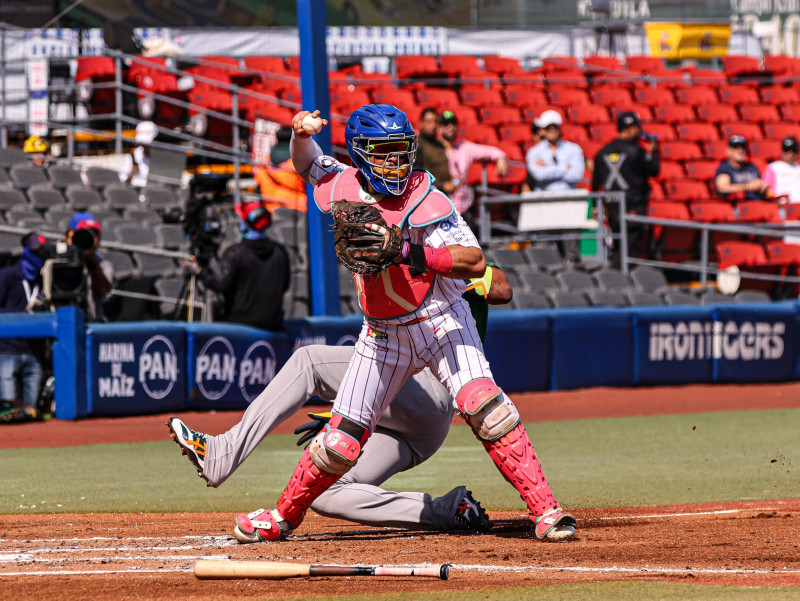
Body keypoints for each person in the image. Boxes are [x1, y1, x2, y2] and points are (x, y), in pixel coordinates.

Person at [226, 103, 576, 546]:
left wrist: (410, 252)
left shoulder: (426, 197)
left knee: (487, 408)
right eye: (383, 151)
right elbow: (309, 163)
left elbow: (474, 261)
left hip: (442, 320)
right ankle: (280, 517)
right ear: (359, 153)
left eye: (400, 150)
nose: (395, 161)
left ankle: (546, 510)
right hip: (383, 332)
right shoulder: (343, 182)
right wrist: (299, 134)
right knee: (339, 441)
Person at [166, 264, 511, 533]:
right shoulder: (387, 273)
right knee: (326, 489)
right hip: (418, 427)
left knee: (309, 362)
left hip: (431, 387)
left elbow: (502, 288)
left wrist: (445, 266)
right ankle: (449, 510)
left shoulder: (441, 252)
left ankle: (223, 453)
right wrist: (350, 411)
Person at [187, 200, 290, 331]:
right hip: (272, 325)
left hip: (241, 326)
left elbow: (220, 284)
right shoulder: (280, 252)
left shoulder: (235, 253)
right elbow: (285, 285)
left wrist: (198, 270)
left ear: (245, 224)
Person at [592, 111, 660, 267]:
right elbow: (654, 170)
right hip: (634, 204)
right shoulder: (637, 151)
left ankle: (617, 277)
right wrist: (655, 151)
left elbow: (596, 182)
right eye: (637, 128)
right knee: (632, 247)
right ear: (630, 129)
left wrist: (596, 205)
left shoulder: (603, 152)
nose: (639, 132)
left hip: (612, 206)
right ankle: (624, 280)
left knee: (618, 244)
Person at [525, 109, 586, 263]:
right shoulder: (534, 152)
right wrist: (565, 168)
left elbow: (577, 174)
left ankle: (573, 269)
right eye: (548, 128)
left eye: (554, 127)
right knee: (543, 242)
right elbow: (538, 175)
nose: (551, 131)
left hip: (568, 201)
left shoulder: (574, 149)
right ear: (543, 130)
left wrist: (547, 168)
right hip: (544, 202)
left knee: (571, 242)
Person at [0, 232, 47, 417]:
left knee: (31, 412)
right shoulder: (8, 275)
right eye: (35, 252)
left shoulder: (45, 279)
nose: (38, 258)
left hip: (33, 352)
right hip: (7, 351)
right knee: (9, 412)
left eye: (41, 254)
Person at [438, 109, 509, 226]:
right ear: (439, 128)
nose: (450, 127)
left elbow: (490, 151)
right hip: (442, 211)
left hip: (463, 210)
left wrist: (500, 157)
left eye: (453, 123)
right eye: (445, 124)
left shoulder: (464, 147)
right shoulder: (434, 150)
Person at [65, 212, 114, 322]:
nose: (93, 238)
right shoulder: (61, 260)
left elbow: (105, 292)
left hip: (93, 323)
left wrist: (92, 263)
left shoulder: (103, 265)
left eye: (95, 233)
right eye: (86, 233)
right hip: (66, 321)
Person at [253, 126, 307, 213]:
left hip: (272, 211)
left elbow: (258, 184)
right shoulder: (297, 164)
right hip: (298, 211)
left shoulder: (264, 163)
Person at [413, 107, 455, 195]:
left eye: (435, 121)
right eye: (428, 122)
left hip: (444, 195)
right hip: (428, 194)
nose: (432, 125)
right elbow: (415, 176)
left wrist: (454, 180)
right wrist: (442, 185)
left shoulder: (440, 144)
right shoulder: (418, 146)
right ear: (421, 123)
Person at [713, 135, 768, 201]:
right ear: (729, 151)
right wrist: (747, 187)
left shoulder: (751, 167)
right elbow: (722, 188)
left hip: (757, 202)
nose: (740, 151)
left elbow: (759, 185)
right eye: (736, 148)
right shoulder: (725, 168)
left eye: (743, 148)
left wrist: (763, 187)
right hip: (737, 206)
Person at [762, 136, 800, 203]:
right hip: (782, 206)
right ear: (782, 152)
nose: (790, 155)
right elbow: (765, 190)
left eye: (793, 152)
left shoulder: (798, 167)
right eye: (787, 151)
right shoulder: (773, 167)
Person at [120, 120, 158, 187]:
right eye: (142, 143)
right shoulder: (132, 156)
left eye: (146, 143)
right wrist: (131, 174)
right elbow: (122, 182)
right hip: (136, 193)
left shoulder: (162, 157)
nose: (144, 145)